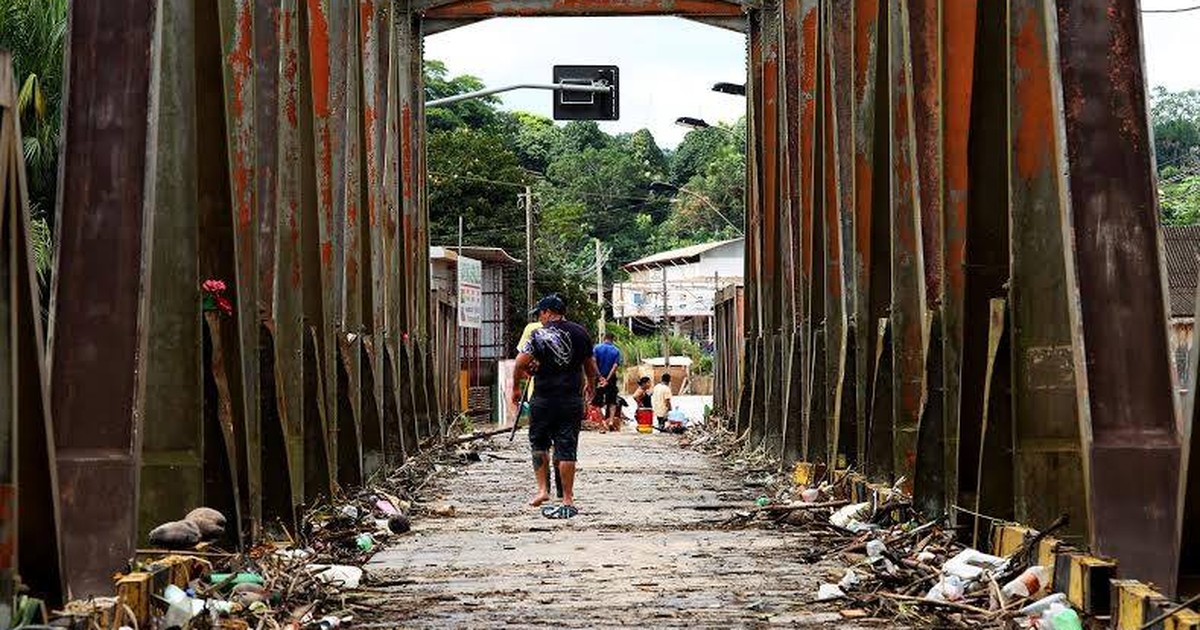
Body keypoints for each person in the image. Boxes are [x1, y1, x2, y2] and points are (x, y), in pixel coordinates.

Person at [511, 294, 599, 519]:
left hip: (543, 399)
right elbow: (590, 366)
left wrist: (516, 388)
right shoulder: (581, 332)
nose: (540, 318)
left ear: (548, 312)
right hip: (570, 400)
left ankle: (543, 491)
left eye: (540, 313)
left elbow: (520, 362)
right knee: (567, 447)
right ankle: (567, 497)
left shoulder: (538, 334)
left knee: (539, 443)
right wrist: (591, 386)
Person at [593, 332, 623, 425]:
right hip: (611, 378)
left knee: (597, 400)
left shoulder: (597, 348)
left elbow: (593, 362)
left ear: (604, 338)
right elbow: (615, 366)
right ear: (612, 339)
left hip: (599, 377)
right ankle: (610, 421)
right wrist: (607, 379)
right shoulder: (616, 350)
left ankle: (601, 422)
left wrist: (600, 377)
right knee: (612, 400)